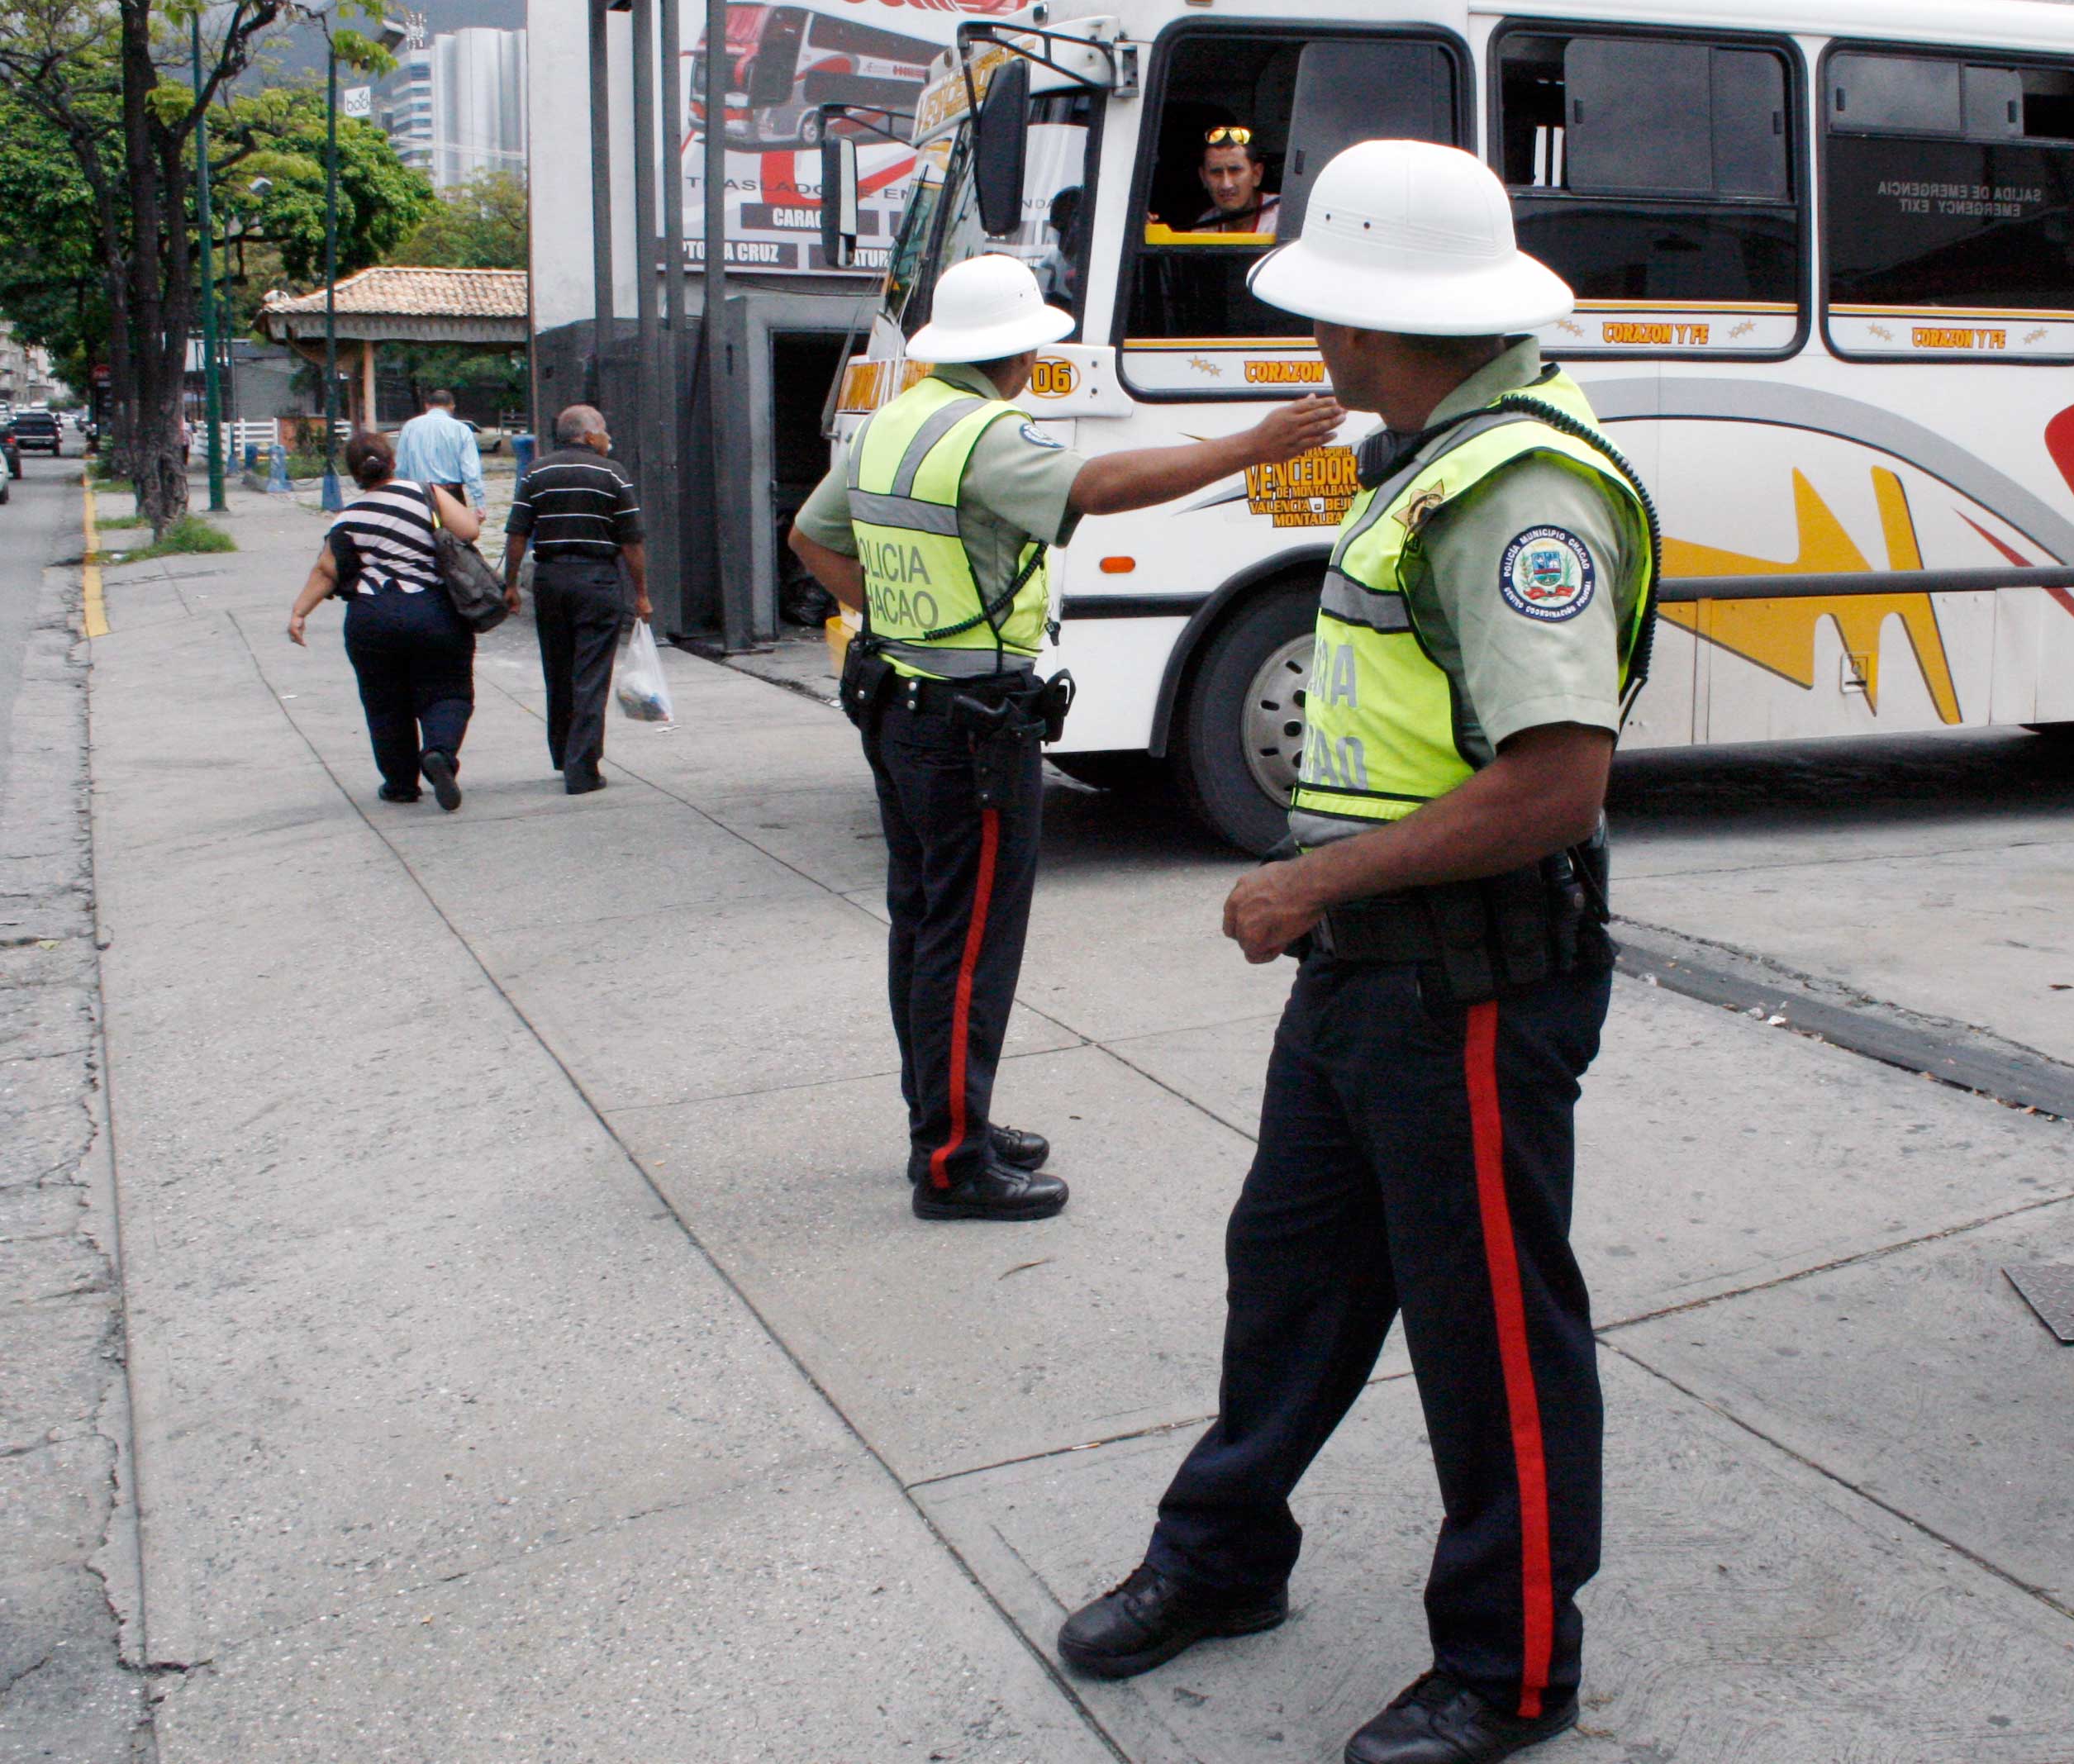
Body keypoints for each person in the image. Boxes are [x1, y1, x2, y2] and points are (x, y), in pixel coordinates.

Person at [1057, 141, 1660, 1764]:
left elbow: (1555, 784)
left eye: (1325, 309)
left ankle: (1513, 1665)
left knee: (1487, 1330)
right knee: (1294, 1273)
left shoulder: (1520, 490)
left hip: (1465, 978)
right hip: (1373, 973)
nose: (1314, 341)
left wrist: (1307, 888)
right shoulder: (1427, 455)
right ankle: (1223, 1556)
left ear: (1381, 320)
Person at [786, 254, 1341, 1222]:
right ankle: (953, 1164)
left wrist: (909, 625)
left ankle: (944, 1116)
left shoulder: (896, 423)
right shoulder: (988, 434)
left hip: (899, 703)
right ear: (1019, 352)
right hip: (967, 728)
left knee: (925, 928)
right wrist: (1254, 445)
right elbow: (1105, 482)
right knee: (967, 947)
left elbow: (811, 535)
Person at [286, 430, 486, 811]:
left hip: (370, 617)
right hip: (432, 610)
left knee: (384, 702)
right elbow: (469, 530)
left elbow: (327, 570)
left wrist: (299, 612)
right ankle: (440, 754)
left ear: (355, 473)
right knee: (448, 690)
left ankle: (399, 784)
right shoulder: (424, 493)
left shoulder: (349, 517)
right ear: (393, 461)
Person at [499, 405, 651, 796]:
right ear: (587, 435)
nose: (607, 439)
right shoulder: (612, 473)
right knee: (590, 676)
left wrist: (512, 584)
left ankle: (564, 754)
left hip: (550, 580)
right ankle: (581, 769)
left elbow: (518, 533)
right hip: (597, 580)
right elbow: (632, 541)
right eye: (604, 431)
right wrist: (642, 595)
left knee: (559, 672)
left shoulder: (536, 472)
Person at [392, 388, 488, 510]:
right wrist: (480, 502)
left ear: (427, 406)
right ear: (452, 406)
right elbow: (471, 470)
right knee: (455, 529)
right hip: (451, 494)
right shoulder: (461, 430)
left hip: (419, 494)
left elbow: (400, 467)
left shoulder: (410, 427)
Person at [1188, 126, 1281, 235]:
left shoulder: (1283, 218)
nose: (1226, 184)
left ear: (1256, 174)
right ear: (1203, 178)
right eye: (1216, 172)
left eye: (1235, 171)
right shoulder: (1204, 228)